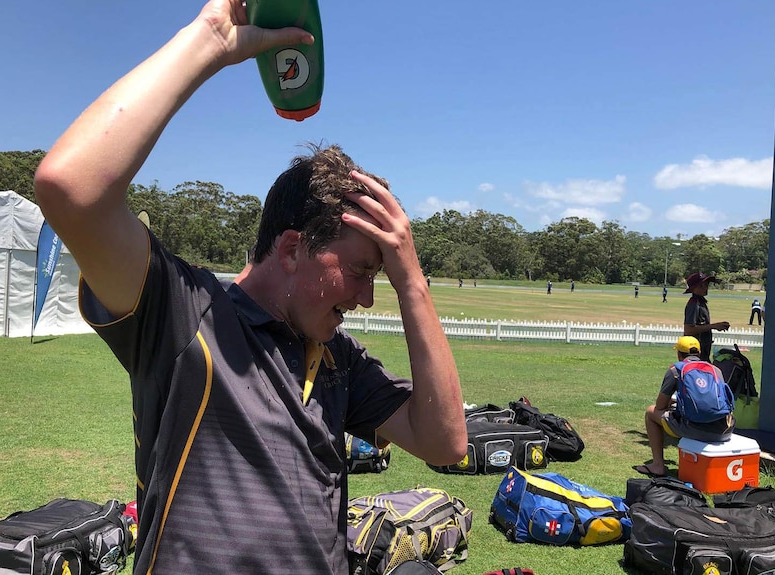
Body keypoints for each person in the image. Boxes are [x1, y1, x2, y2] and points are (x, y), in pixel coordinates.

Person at [32, 3, 467, 573]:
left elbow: (446, 443)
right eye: (361, 271)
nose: (365, 298)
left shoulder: (338, 359)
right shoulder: (186, 315)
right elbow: (70, 187)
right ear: (292, 249)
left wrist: (411, 281)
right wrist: (210, 40)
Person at [633, 336, 735, 478]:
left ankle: (658, 465)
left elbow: (660, 405)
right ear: (699, 353)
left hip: (696, 428)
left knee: (651, 412)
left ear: (679, 354)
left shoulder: (675, 370)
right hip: (724, 428)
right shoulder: (715, 370)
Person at [683, 272, 730, 362]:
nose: (705, 287)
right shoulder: (694, 304)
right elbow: (689, 330)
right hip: (695, 354)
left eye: (706, 284)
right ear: (693, 289)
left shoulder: (701, 303)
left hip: (703, 352)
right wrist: (713, 326)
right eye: (701, 286)